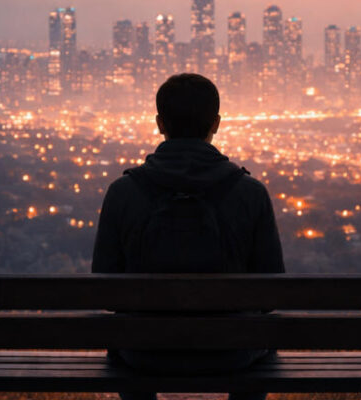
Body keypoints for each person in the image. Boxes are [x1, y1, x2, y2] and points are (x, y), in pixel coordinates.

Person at [92, 73, 285, 400]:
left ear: (159, 123)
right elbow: (272, 292)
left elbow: (105, 289)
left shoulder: (122, 192)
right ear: (216, 123)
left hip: (143, 353)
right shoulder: (250, 194)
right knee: (266, 337)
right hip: (233, 353)